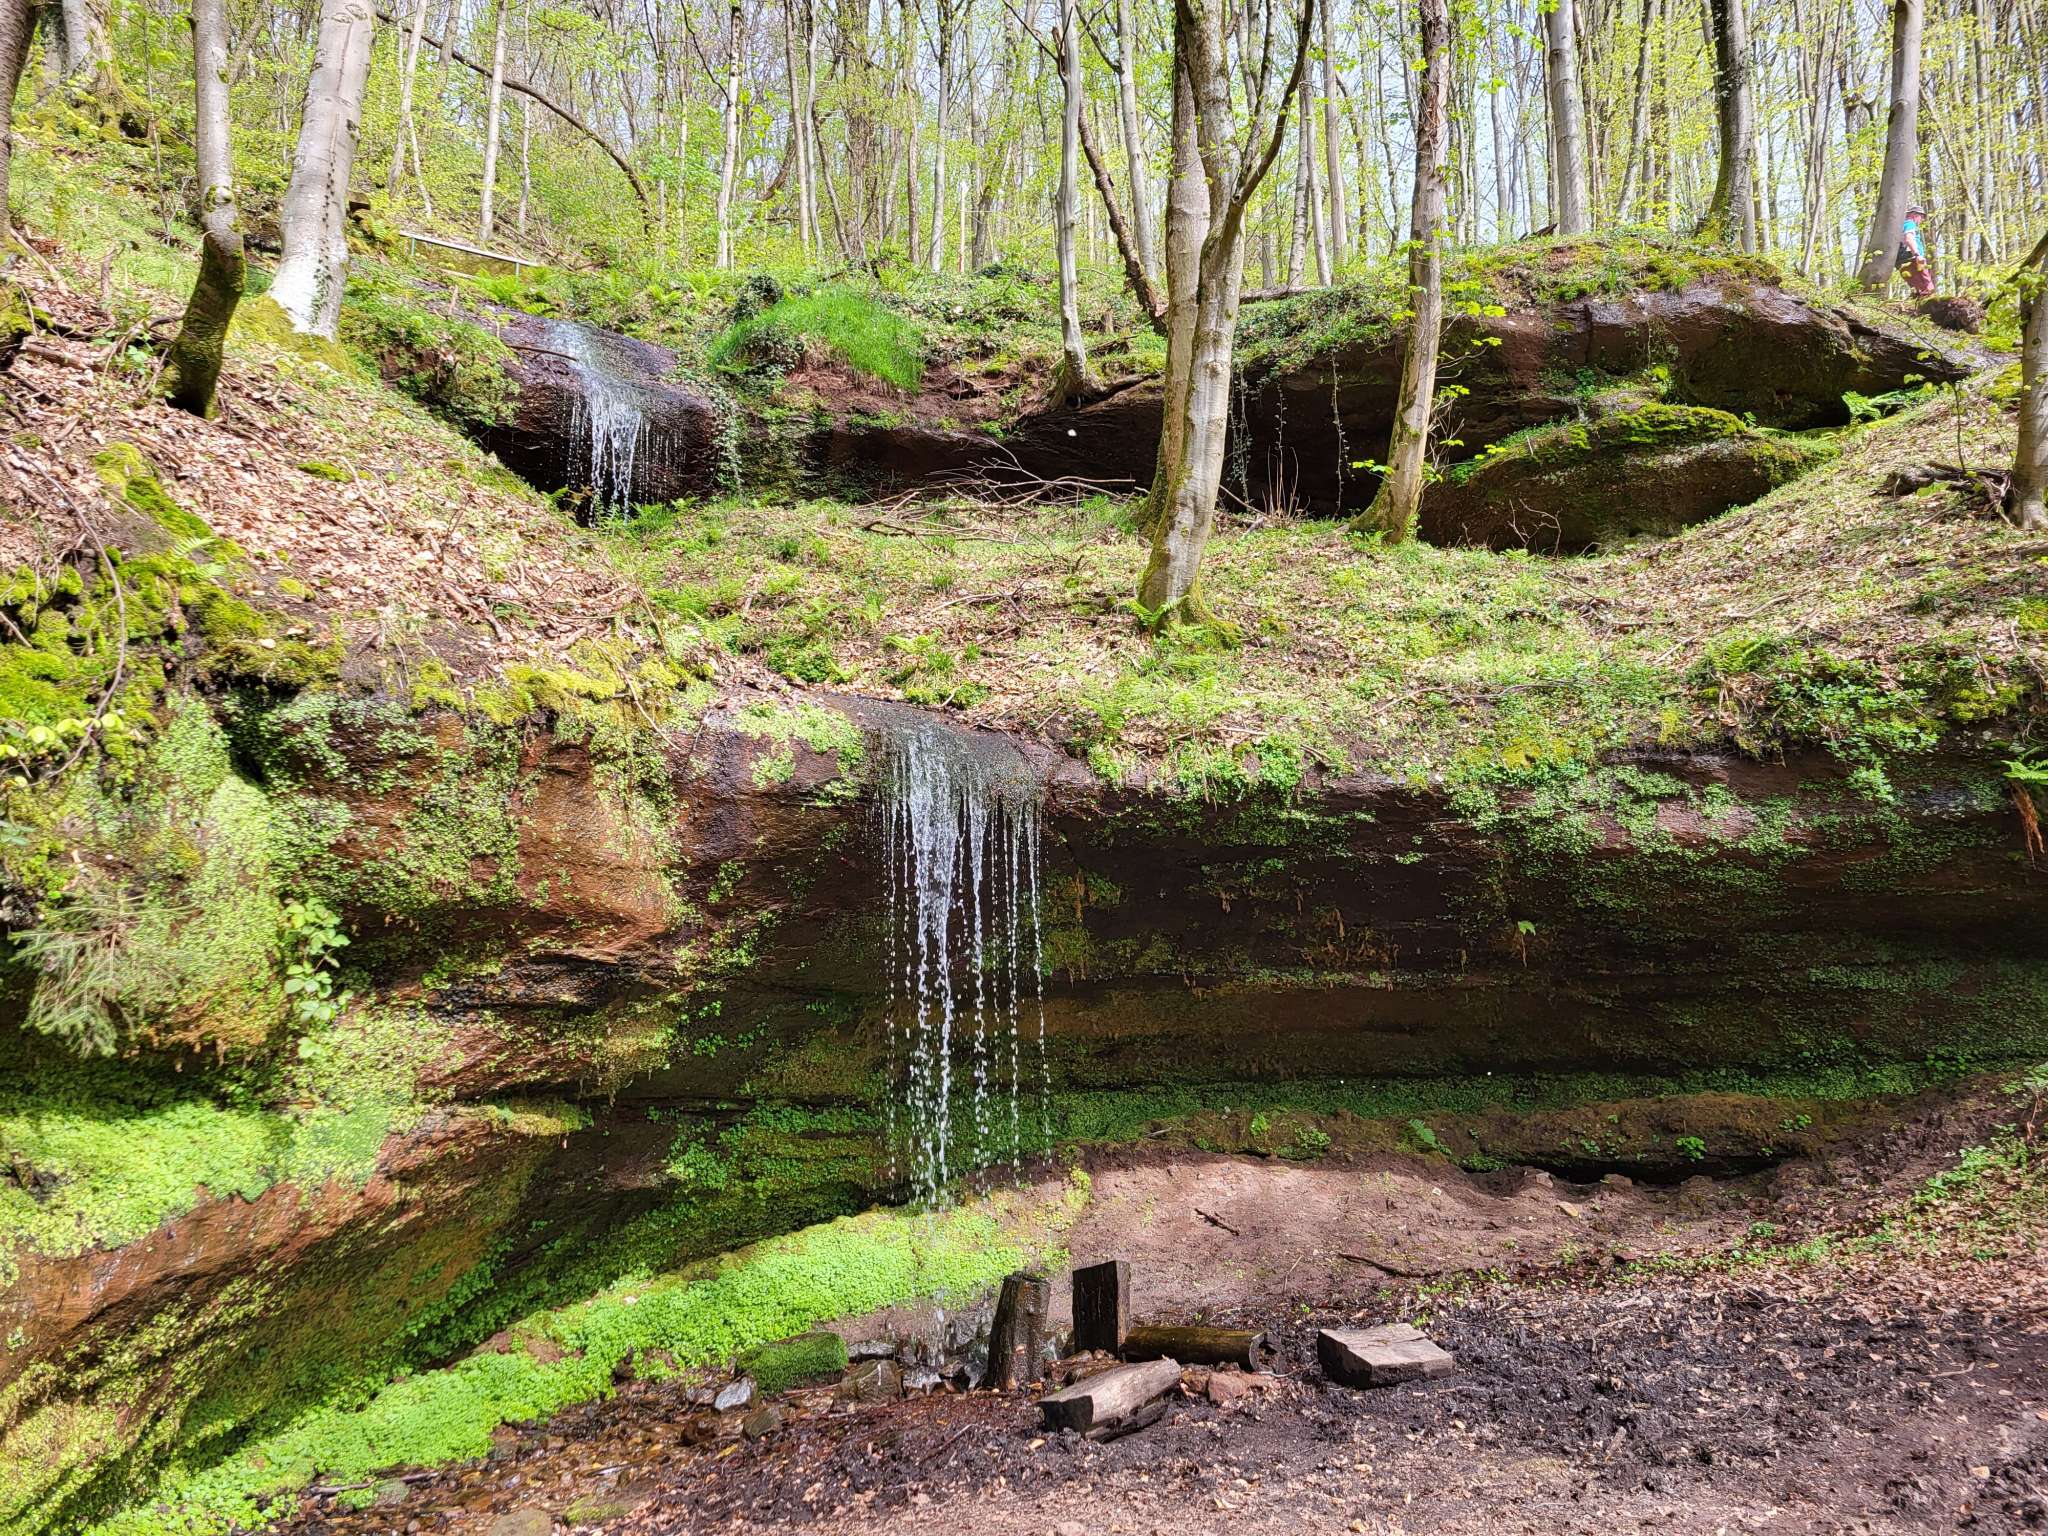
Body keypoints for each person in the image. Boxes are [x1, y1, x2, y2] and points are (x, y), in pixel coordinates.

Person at [1897, 204, 1936, 297]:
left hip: (1905, 260)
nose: (1921, 219)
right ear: (1914, 214)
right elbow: (1909, 238)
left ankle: (1920, 302)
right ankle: (1929, 302)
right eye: (1921, 216)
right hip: (1913, 258)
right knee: (1927, 287)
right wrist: (1917, 255)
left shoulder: (1902, 225)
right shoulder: (1910, 223)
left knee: (1917, 288)